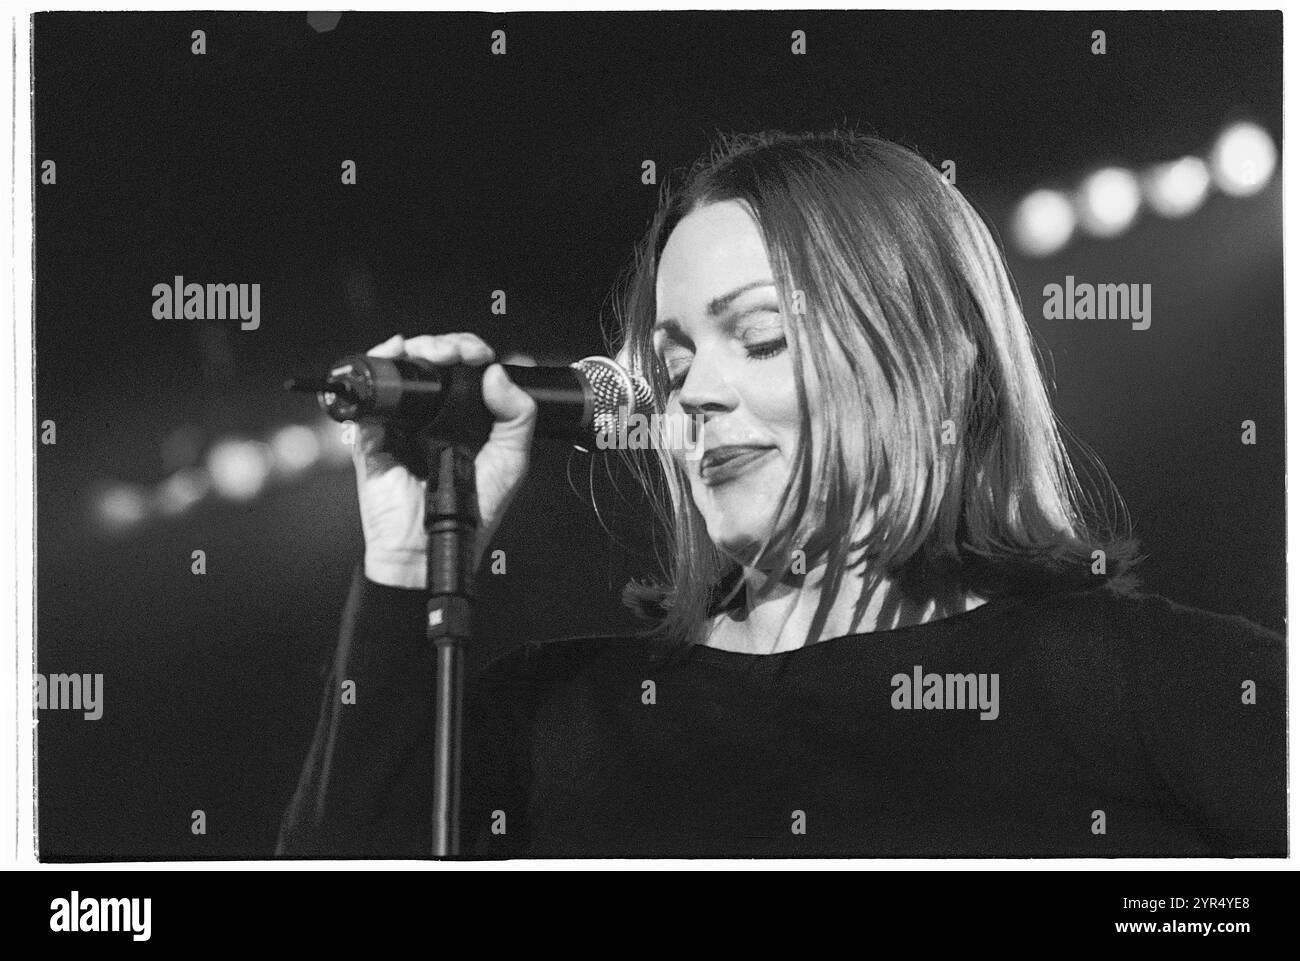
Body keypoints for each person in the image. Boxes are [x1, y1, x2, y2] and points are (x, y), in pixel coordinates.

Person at [276, 129, 1285, 859]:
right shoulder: (555, 720)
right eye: (670, 367)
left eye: (757, 337)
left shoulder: (1132, 680)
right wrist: (407, 569)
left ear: (932, 351)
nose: (698, 391)